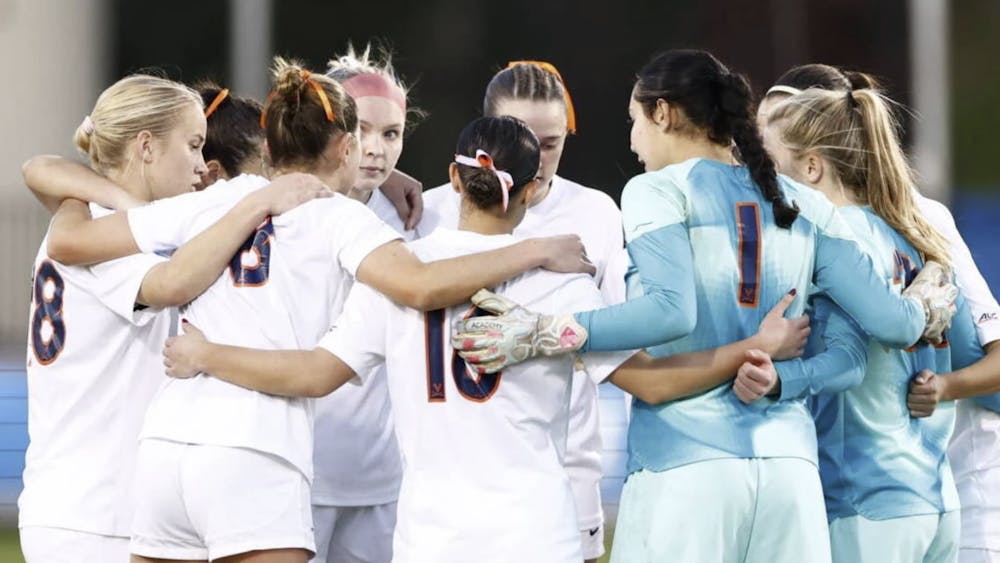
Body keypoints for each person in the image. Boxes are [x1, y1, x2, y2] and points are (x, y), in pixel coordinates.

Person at [160, 114, 819, 563]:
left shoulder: (398, 269)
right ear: (533, 190)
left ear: (453, 180)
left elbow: (313, 373)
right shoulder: (559, 273)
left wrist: (207, 354)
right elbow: (651, 382)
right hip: (534, 534)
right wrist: (748, 347)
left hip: (429, 541)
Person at [24, 59, 592, 563]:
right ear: (345, 147)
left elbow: (64, 218)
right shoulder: (342, 219)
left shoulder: (218, 201)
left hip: (166, 451)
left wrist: (86, 198)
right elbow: (418, 286)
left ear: (268, 148)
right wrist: (538, 248)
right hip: (254, 448)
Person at [453, 49, 958, 562]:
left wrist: (538, 332)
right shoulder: (805, 202)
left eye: (634, 121)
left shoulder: (658, 190)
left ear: (663, 114)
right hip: (790, 475)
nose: (632, 141)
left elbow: (673, 312)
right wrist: (926, 299)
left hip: (686, 473)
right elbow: (894, 325)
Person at [17, 74, 329, 563]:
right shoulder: (102, 228)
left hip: (84, 504)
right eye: (191, 145)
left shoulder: (90, 213)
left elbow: (41, 168)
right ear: (145, 147)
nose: (201, 164)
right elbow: (171, 283)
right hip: (98, 515)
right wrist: (253, 203)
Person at [759, 64, 1000, 563]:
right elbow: (958, 342)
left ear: (812, 162)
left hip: (867, 496)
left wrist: (776, 375)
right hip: (933, 496)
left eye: (771, 157)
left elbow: (852, 361)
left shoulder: (833, 237)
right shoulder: (915, 234)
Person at [417, 60, 625, 561]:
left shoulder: (596, 211)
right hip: (445, 481)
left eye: (550, 143)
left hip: (561, 468)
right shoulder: (430, 211)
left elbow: (616, 340)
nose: (535, 155)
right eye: (520, 136)